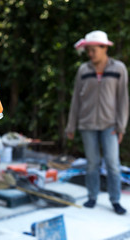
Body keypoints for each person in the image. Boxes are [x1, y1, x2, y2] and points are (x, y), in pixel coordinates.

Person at [66, 30, 128, 215]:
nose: (91, 54)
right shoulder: (83, 70)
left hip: (110, 125)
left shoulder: (119, 69)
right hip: (87, 125)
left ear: (104, 48)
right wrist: (71, 125)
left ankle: (115, 200)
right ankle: (92, 197)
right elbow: (76, 99)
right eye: (88, 51)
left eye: (94, 50)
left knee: (112, 164)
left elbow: (123, 99)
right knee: (92, 163)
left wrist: (121, 126)